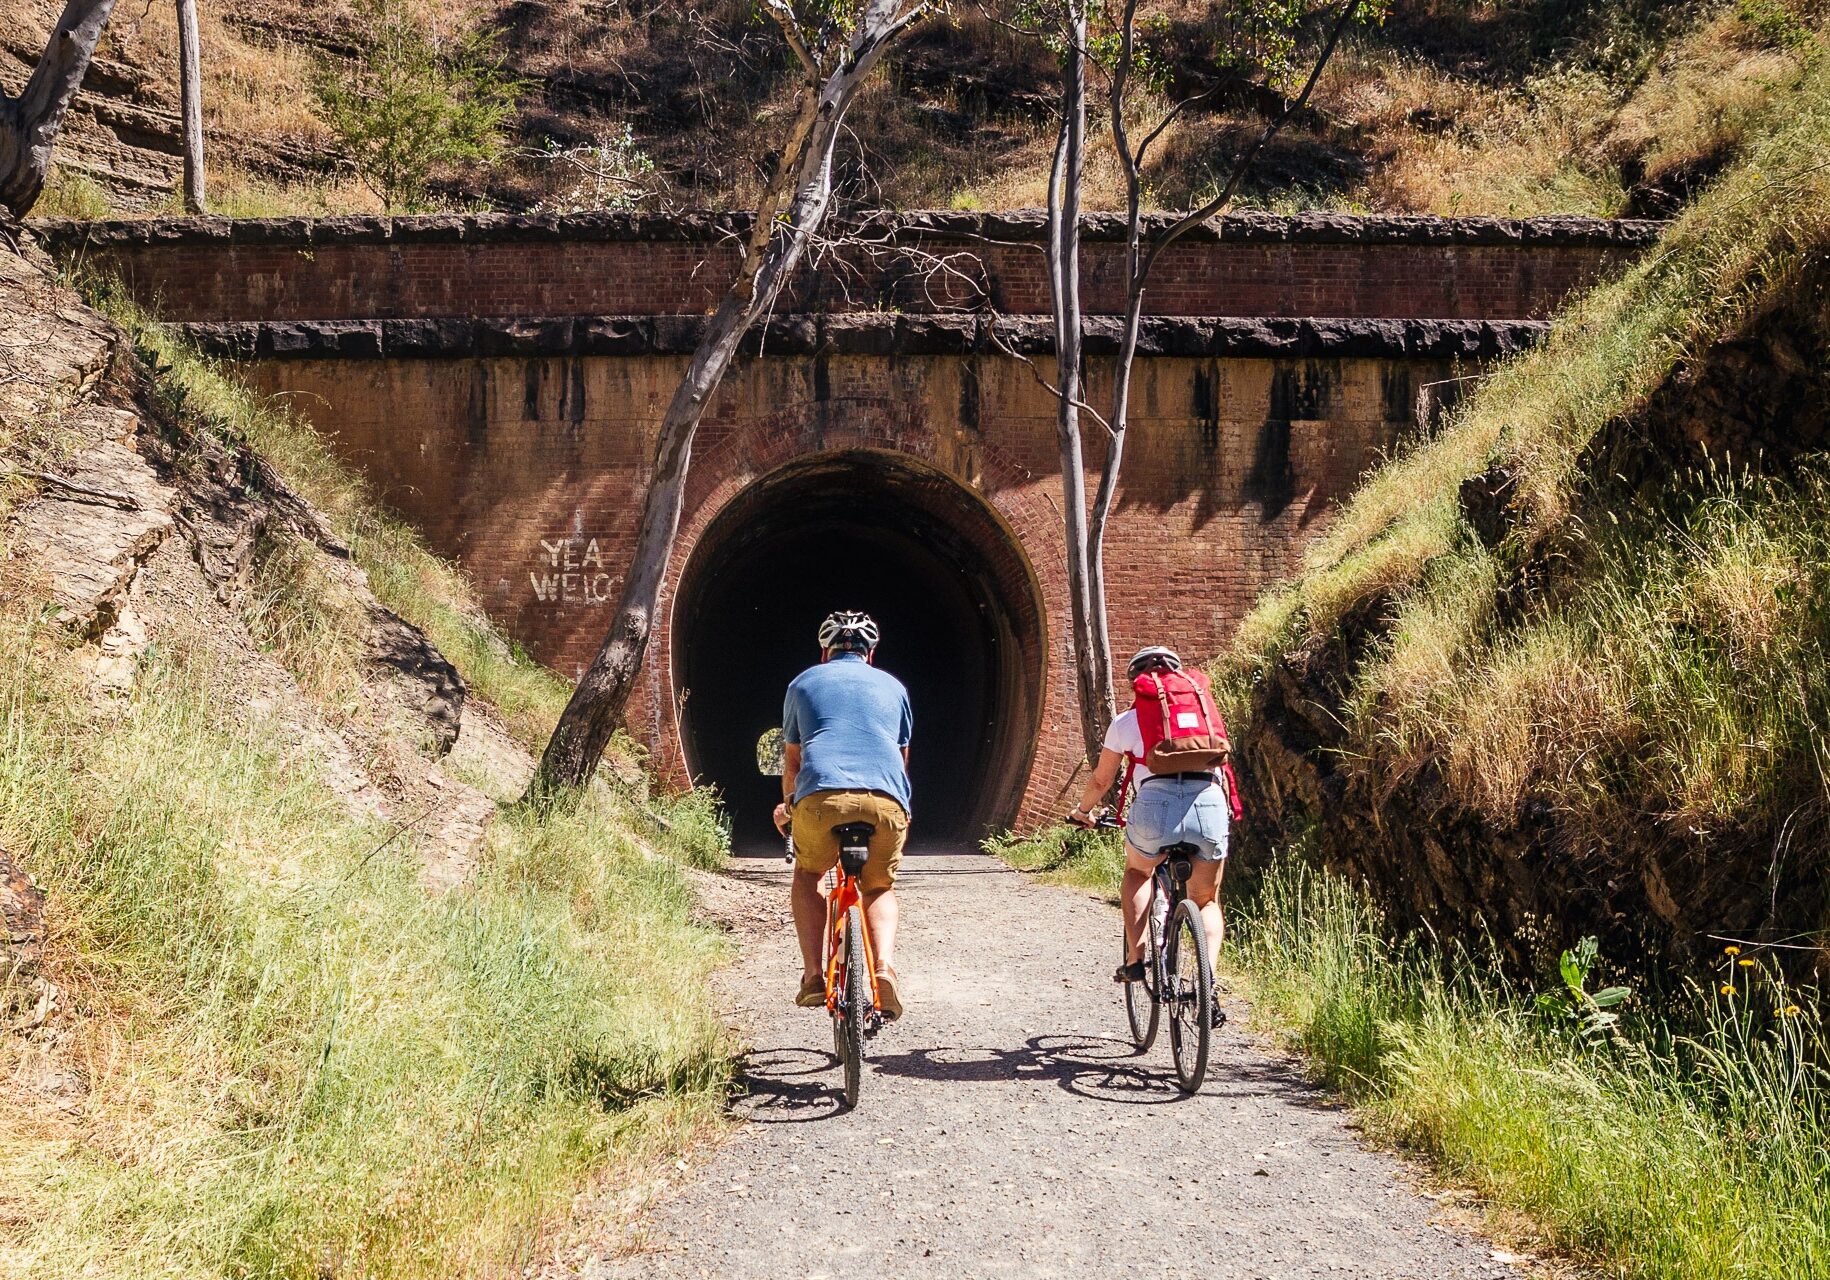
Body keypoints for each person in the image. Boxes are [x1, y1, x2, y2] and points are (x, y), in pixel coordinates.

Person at [1068, 645, 1229, 1028]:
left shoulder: (1127, 721)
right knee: (1205, 899)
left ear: (1136, 684)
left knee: (1139, 873)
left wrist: (1083, 812)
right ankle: (1208, 981)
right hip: (1208, 803)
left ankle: (1136, 960)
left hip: (1155, 808)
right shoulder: (1202, 714)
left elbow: (1102, 780)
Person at [773, 610, 913, 1021]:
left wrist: (788, 806)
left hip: (821, 798)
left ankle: (814, 975)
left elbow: (793, 761)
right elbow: (900, 761)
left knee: (808, 874)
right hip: (884, 800)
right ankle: (883, 969)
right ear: (871, 653)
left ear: (824, 651)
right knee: (879, 887)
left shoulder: (802, 683)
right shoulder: (895, 687)